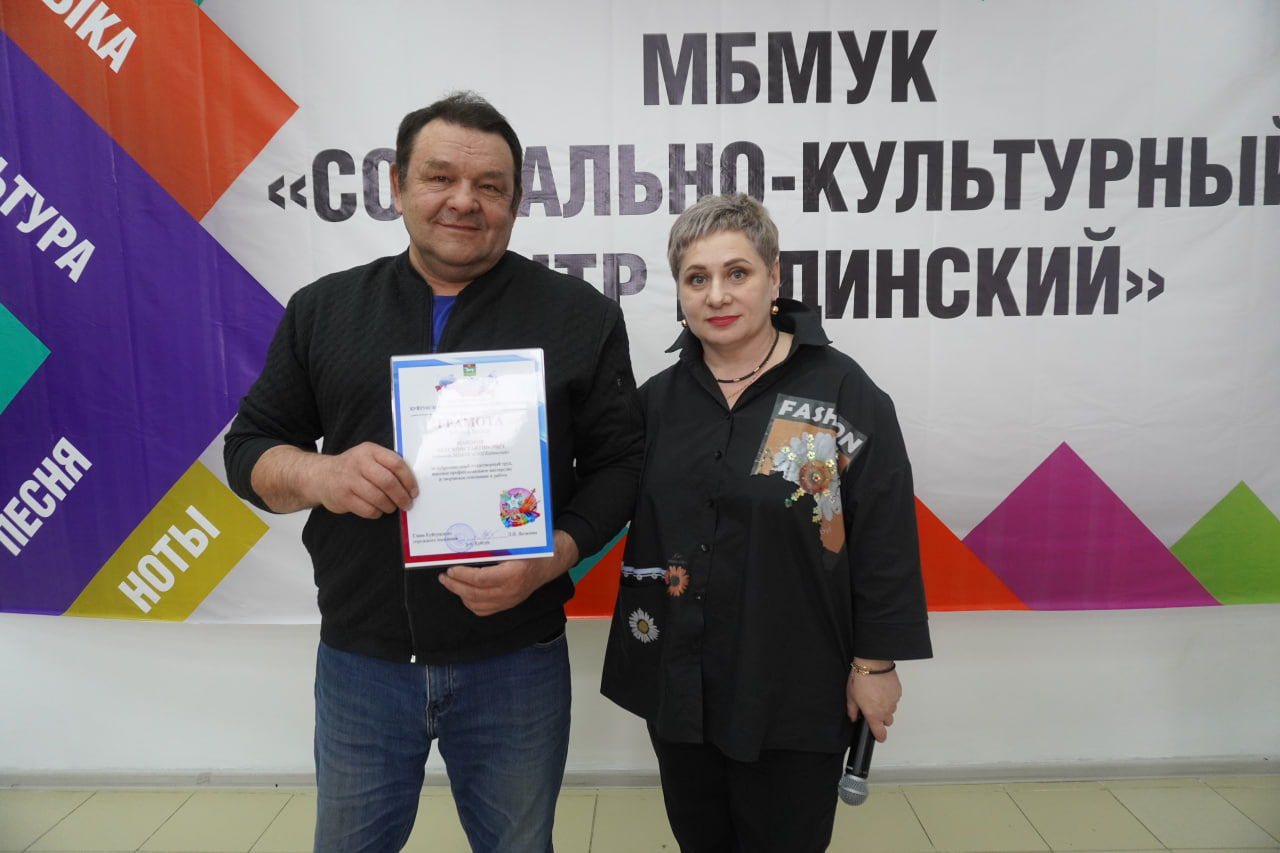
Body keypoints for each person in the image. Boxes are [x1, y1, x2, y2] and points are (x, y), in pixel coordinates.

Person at [224, 92, 644, 853]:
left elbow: (620, 465)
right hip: (363, 661)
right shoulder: (323, 310)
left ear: (516, 201)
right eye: (440, 177)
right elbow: (249, 450)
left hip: (516, 658)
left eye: (490, 186)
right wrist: (321, 475)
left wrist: (555, 555)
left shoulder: (579, 316)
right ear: (396, 185)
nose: (464, 200)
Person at [601, 193, 932, 852]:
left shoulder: (841, 394)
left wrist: (875, 665)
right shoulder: (657, 402)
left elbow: (885, 536)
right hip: (681, 684)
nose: (717, 295)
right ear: (680, 293)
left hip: (794, 687)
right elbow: (597, 491)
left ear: (774, 277)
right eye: (697, 278)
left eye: (737, 272)